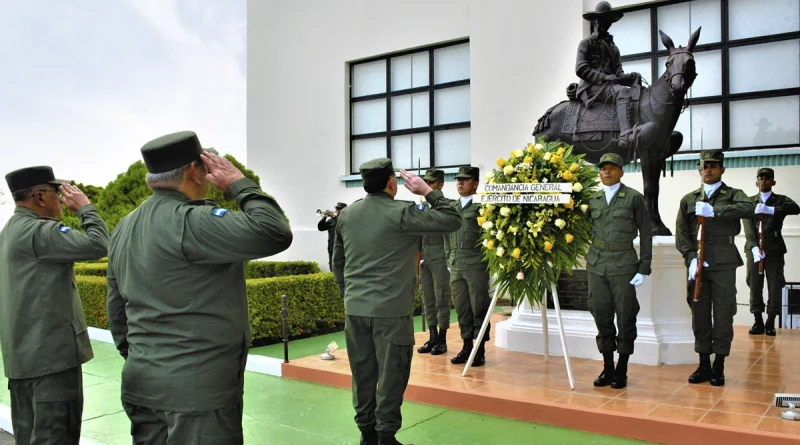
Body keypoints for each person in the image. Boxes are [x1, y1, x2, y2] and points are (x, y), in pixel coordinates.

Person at [106, 131, 293, 444]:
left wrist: (146, 358)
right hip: (197, 395)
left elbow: (117, 311)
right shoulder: (193, 221)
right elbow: (274, 231)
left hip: (142, 382)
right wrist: (239, 183)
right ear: (194, 170)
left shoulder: (125, 226)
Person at [332, 158, 460, 445]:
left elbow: (337, 263)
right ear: (392, 182)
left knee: (362, 374)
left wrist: (350, 296)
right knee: (392, 374)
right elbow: (453, 219)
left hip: (355, 309)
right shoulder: (402, 213)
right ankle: (385, 437)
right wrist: (427, 191)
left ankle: (367, 434)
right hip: (391, 311)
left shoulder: (347, 215)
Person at [0, 166, 109, 444]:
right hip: (52, 362)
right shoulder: (40, 231)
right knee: (56, 437)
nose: (61, 199)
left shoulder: (10, 230)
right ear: (39, 197)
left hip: (23, 361)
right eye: (56, 193)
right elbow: (99, 244)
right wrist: (86, 209)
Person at [675, 150, 754, 386]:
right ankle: (704, 364)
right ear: (699, 171)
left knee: (723, 313)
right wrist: (690, 258)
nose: (708, 169)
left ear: (722, 169)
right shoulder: (690, 199)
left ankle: (719, 365)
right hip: (697, 264)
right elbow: (681, 232)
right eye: (704, 166)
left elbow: (749, 208)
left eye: (713, 166)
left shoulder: (733, 195)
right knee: (699, 313)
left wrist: (716, 211)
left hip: (723, 263)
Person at [585, 153, 652, 389]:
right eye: (603, 169)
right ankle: (608, 367)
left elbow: (646, 233)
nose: (607, 172)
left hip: (624, 265)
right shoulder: (592, 199)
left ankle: (622, 368)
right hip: (596, 265)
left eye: (612, 168)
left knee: (625, 316)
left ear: (621, 172)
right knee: (600, 314)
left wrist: (644, 267)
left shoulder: (633, 198)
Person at [742, 167, 800, 336]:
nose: (764, 181)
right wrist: (753, 247)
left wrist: (773, 210)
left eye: (768, 179)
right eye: (761, 178)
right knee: (754, 284)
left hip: (774, 248)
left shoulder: (780, 200)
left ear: (773, 182)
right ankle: (758, 321)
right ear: (756, 182)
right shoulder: (750, 202)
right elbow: (748, 228)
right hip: (754, 250)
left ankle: (770, 321)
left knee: (774, 285)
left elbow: (796, 208)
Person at [576, 1, 641, 150]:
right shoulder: (586, 43)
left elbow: (618, 72)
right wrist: (604, 77)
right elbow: (580, 68)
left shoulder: (614, 48)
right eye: (601, 20)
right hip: (592, 88)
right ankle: (625, 134)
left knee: (633, 91)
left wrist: (628, 78)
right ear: (595, 21)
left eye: (608, 21)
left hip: (609, 86)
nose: (605, 23)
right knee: (622, 91)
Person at [447, 166, 492, 367]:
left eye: (465, 180)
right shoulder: (453, 207)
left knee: (479, 307)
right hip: (456, 265)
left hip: (476, 265)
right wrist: (449, 257)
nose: (460, 183)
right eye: (459, 180)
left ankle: (479, 349)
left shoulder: (482, 207)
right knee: (462, 308)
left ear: (475, 184)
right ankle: (466, 347)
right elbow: (446, 235)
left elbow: (490, 235)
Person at [417, 169, 453, 356]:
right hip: (426, 257)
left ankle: (442, 338)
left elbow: (450, 234)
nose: (428, 186)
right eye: (426, 183)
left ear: (440, 184)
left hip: (441, 256)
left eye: (431, 183)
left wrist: (449, 259)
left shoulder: (445, 206)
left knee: (441, 298)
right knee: (427, 298)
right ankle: (432, 336)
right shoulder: (423, 206)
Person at [318, 202, 347, 271]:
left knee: (341, 268)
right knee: (332, 267)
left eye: (339, 209)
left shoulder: (346, 219)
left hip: (341, 248)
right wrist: (324, 217)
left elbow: (340, 225)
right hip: (331, 247)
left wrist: (334, 216)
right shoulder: (331, 221)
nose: (337, 210)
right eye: (337, 208)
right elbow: (320, 228)